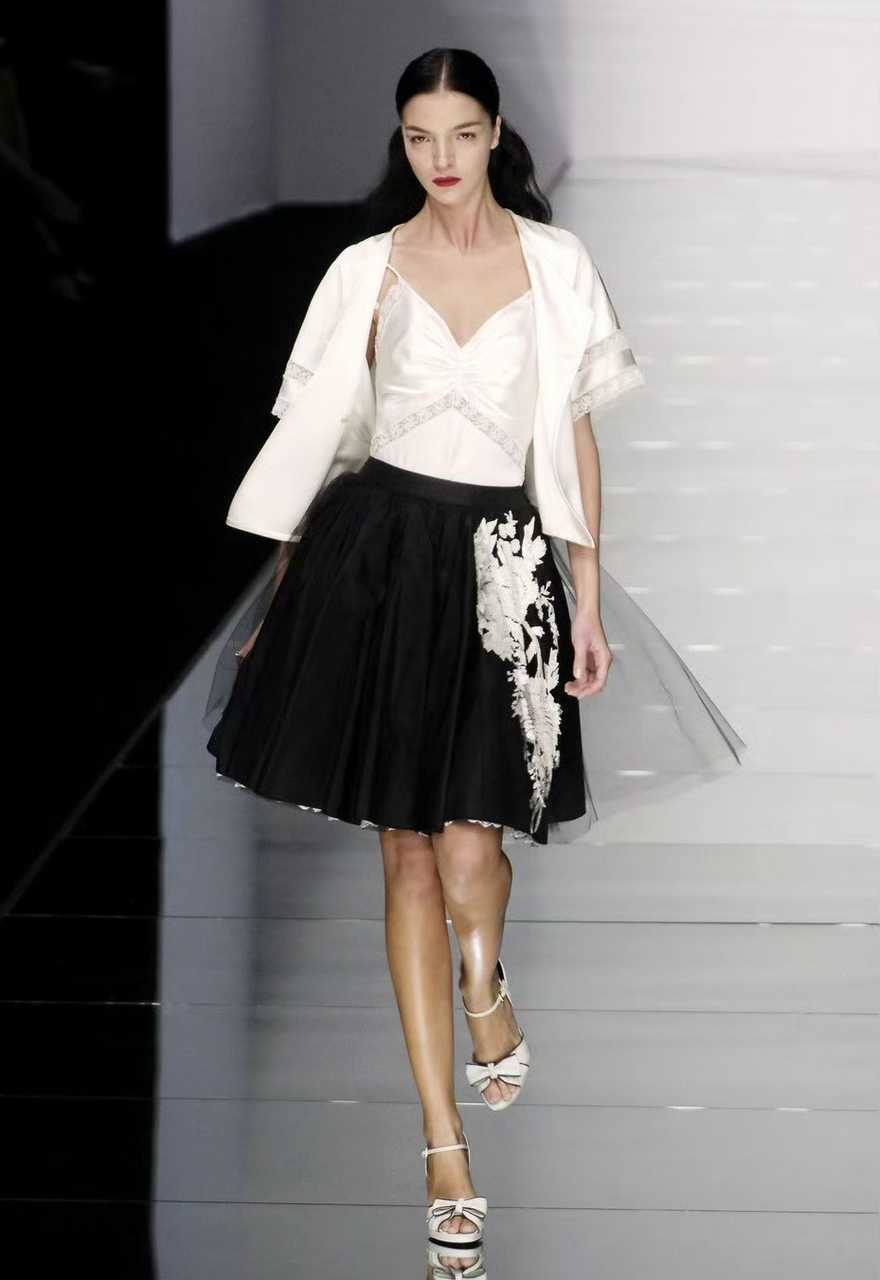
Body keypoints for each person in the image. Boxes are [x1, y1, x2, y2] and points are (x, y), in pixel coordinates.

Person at [203, 47, 747, 1251]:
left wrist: (587, 597)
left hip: (501, 566)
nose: (440, 158)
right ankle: (442, 1141)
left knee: (468, 848)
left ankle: (484, 976)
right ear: (399, 142)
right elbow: (325, 438)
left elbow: (576, 438)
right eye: (418, 137)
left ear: (496, 133)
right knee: (404, 849)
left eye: (460, 133)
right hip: (376, 563)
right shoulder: (365, 269)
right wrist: (280, 604)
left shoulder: (555, 265)